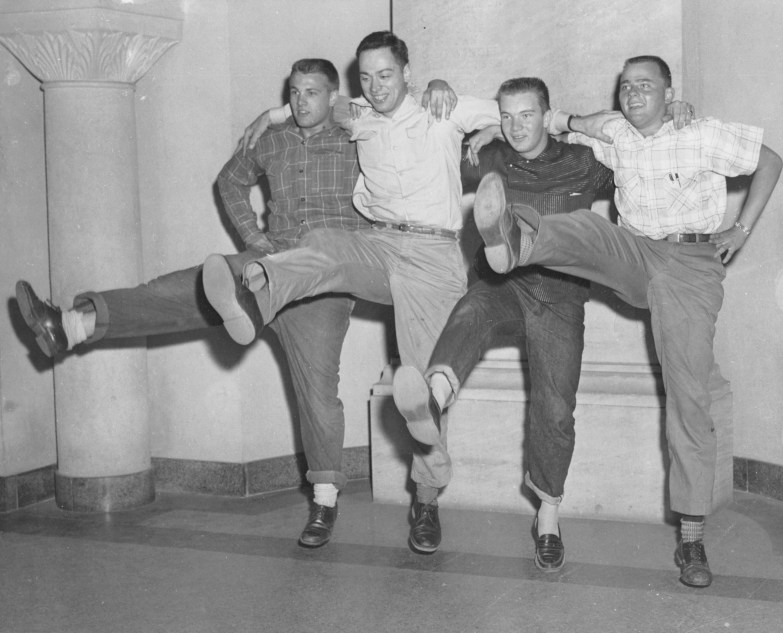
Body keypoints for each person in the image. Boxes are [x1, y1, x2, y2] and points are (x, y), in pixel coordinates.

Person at [15, 58, 375, 549]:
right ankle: (71, 326)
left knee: (317, 392)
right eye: (293, 92)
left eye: (312, 92)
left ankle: (325, 502)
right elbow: (229, 181)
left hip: (324, 279)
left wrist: (274, 112)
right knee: (182, 288)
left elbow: (385, 109)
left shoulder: (357, 133)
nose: (299, 101)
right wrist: (254, 236)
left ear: (332, 96)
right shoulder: (272, 139)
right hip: (270, 260)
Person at [471, 55, 782, 587]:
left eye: (646, 85)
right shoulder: (613, 132)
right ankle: (517, 240)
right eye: (627, 86)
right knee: (589, 228)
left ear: (669, 93)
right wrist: (492, 129)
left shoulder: (700, 132)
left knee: (688, 394)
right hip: (635, 252)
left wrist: (742, 229)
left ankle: (692, 537)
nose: (634, 93)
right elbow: (549, 124)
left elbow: (769, 160)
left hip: (690, 265)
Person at [201, 30, 504, 554]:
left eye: (386, 75)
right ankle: (257, 296)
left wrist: (489, 125)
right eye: (366, 77)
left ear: (407, 73)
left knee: (422, 391)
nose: (376, 86)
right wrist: (270, 115)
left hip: (433, 256)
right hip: (380, 243)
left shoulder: (443, 108)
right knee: (323, 241)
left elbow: (521, 116)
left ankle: (426, 501)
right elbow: (311, 104)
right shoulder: (357, 113)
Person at [391, 76, 615, 572]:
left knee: (555, 409)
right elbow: (427, 146)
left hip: (559, 294)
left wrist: (579, 123)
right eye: (506, 117)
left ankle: (548, 517)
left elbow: (634, 140)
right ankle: (433, 396)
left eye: (527, 115)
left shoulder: (584, 162)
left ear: (547, 115)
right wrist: (435, 87)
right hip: (503, 281)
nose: (515, 127)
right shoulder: (492, 156)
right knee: (471, 309)